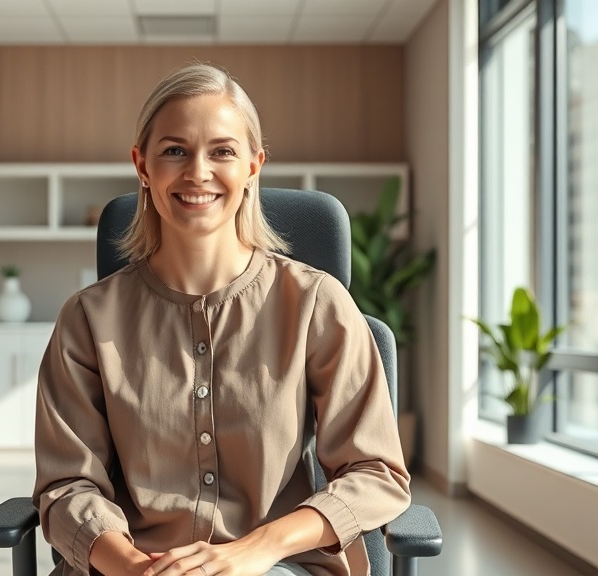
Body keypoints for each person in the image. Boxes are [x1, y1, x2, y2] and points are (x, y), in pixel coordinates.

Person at [33, 63, 411, 576]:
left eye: (222, 151)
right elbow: (66, 486)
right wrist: (133, 567)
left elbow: (375, 472)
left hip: (276, 565)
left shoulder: (317, 304)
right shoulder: (86, 320)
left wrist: (258, 548)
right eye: (174, 151)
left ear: (253, 167)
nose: (198, 172)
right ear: (142, 166)